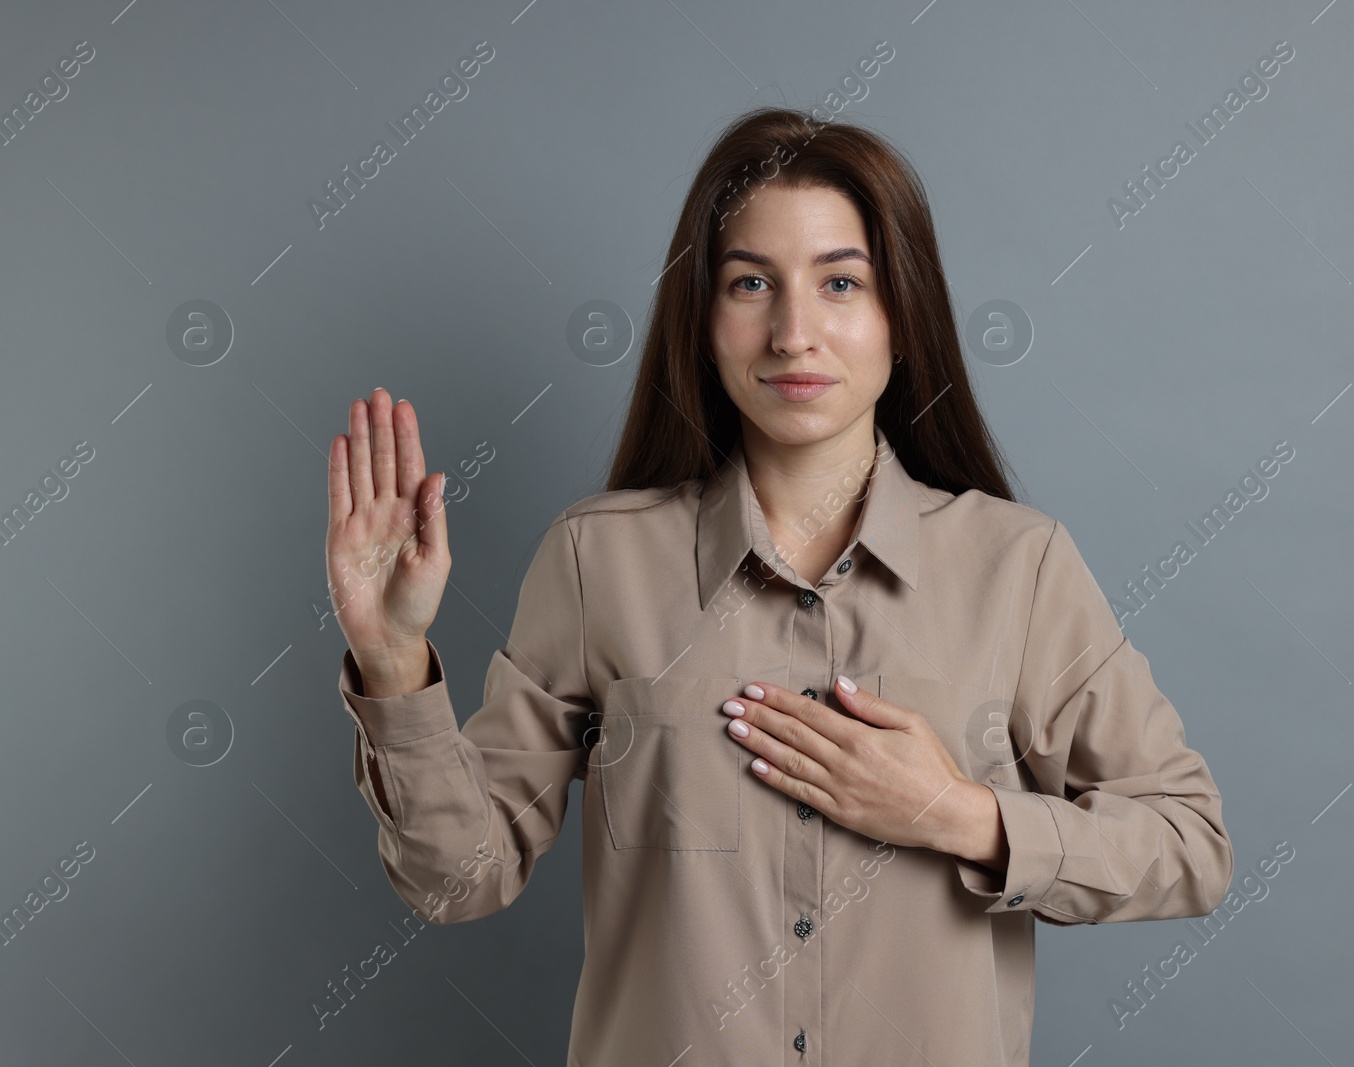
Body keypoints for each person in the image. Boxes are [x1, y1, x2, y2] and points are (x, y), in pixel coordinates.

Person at [326, 106, 1232, 1066]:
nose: (795, 332)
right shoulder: (599, 562)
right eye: (752, 282)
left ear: (901, 317)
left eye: (842, 282)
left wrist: (958, 814)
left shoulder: (1021, 567)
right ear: (705, 317)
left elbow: (1190, 846)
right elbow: (457, 879)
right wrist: (391, 665)